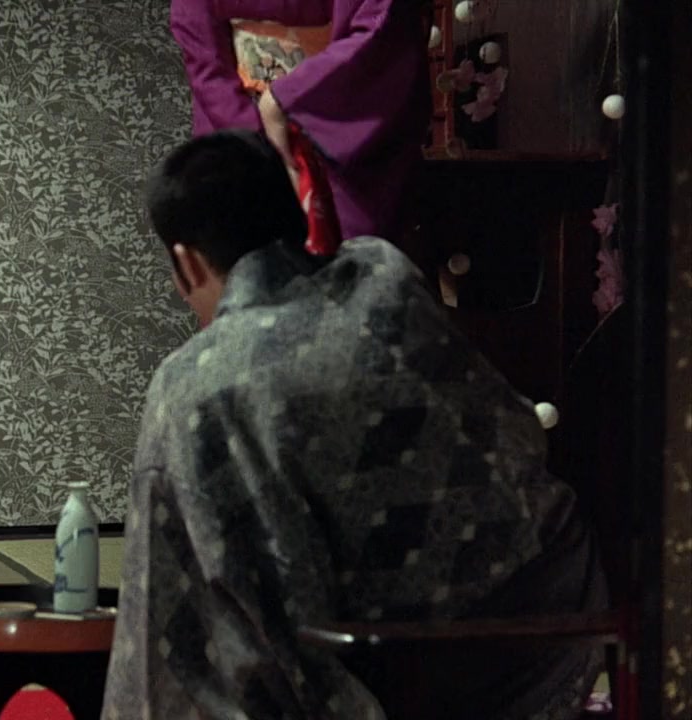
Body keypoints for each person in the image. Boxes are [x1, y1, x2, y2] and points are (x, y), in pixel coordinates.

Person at [100, 130, 606, 719]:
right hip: (561, 610)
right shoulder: (384, 276)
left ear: (186, 263)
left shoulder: (198, 382)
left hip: (411, 674)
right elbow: (517, 432)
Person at [169, 0, 431, 253]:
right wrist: (257, 139)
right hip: (237, 131)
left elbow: (380, 25)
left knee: (352, 260)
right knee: (243, 250)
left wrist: (287, 99)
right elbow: (201, 42)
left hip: (339, 115)